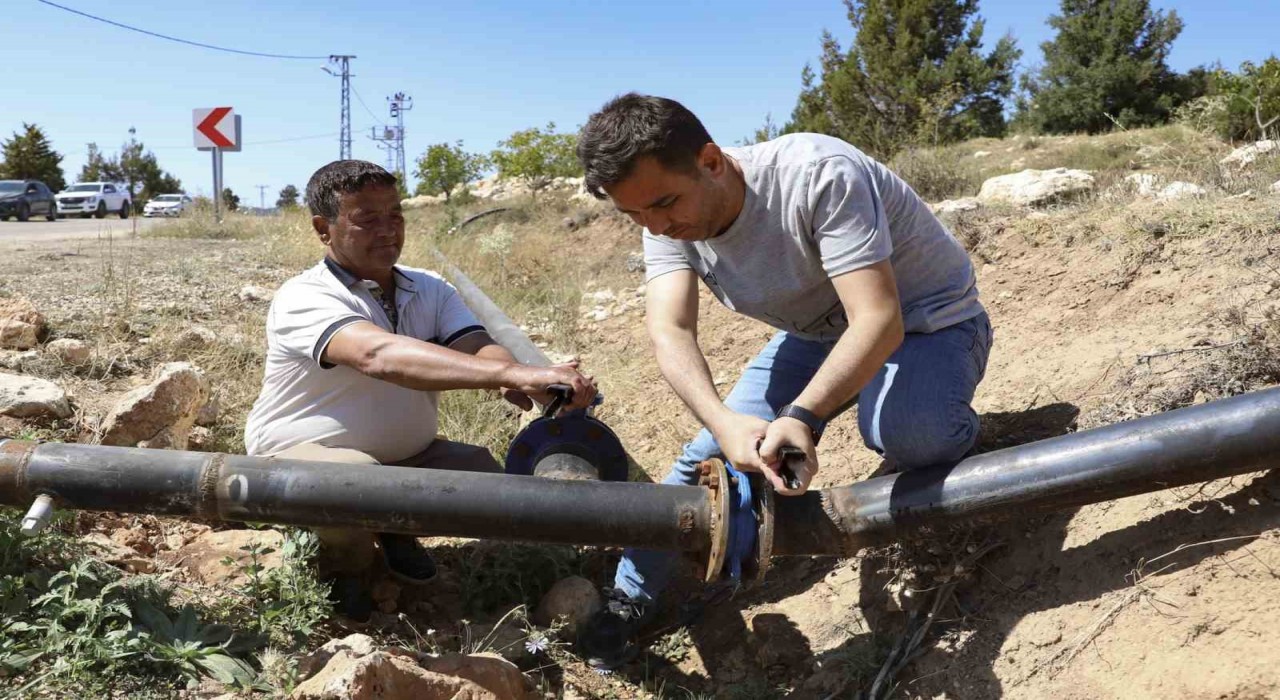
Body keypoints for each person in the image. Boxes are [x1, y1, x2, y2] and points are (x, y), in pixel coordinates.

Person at [573, 94, 993, 669]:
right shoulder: (660, 216)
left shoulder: (817, 174)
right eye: (636, 215)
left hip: (927, 319)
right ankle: (632, 597)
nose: (656, 225)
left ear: (711, 161)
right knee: (706, 454)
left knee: (906, 434)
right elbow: (670, 330)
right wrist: (724, 423)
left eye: (664, 204)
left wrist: (803, 417)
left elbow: (878, 319)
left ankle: (964, 429)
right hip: (820, 333)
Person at [244, 160, 596, 619]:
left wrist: (521, 375)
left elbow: (475, 345)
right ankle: (342, 568)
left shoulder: (427, 287)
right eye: (367, 219)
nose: (388, 230)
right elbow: (378, 356)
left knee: (487, 479)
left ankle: (391, 525)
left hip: (399, 456)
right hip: (298, 453)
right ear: (323, 228)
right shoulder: (305, 295)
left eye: (395, 215)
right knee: (353, 485)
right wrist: (508, 376)